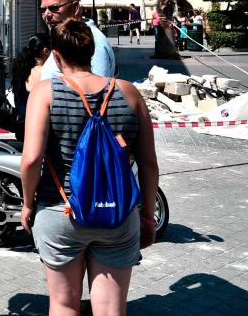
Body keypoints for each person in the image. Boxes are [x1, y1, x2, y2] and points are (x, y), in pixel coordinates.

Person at [19, 18, 159, 316]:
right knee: (110, 308)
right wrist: (147, 216)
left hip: (61, 210)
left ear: (56, 56)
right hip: (118, 215)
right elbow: (148, 163)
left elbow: (31, 159)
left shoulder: (45, 93)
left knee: (63, 303)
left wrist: (27, 204)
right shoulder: (129, 93)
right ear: (92, 50)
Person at [38, 0, 115, 81]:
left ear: (75, 8)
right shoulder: (68, 37)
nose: (46, 15)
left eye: (54, 8)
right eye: (43, 10)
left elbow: (95, 91)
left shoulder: (91, 41)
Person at [0, 33, 50, 140]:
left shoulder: (22, 70)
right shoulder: (44, 73)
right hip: (36, 133)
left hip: (21, 130)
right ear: (45, 51)